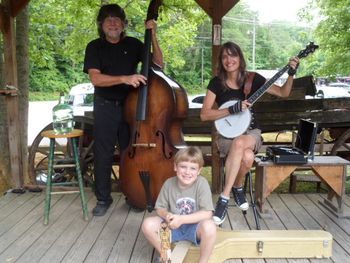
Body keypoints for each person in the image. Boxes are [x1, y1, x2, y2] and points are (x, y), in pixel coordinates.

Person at [200, 41, 300, 225]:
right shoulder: (216, 83)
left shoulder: (253, 79)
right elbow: (205, 114)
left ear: (240, 57)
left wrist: (291, 73)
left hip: (251, 132)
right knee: (246, 157)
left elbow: (284, 92)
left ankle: (224, 197)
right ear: (221, 61)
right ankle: (237, 186)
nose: (229, 60)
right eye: (225, 56)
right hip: (226, 136)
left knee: (241, 143)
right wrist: (232, 109)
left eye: (233, 55)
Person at [83, 4, 163, 216]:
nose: (112, 23)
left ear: (124, 24)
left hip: (131, 107)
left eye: (117, 19)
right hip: (105, 107)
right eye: (107, 19)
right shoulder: (94, 47)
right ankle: (103, 198)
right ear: (101, 24)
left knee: (131, 152)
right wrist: (125, 78)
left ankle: (132, 194)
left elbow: (159, 63)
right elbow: (95, 78)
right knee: (104, 153)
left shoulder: (134, 44)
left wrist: (152, 34)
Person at [141, 146, 217, 263]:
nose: (187, 172)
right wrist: (166, 215)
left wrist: (181, 219)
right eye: (183, 167)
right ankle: (166, 256)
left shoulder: (202, 183)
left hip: (194, 228)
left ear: (199, 171)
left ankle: (203, 261)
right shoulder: (169, 183)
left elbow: (207, 213)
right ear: (175, 167)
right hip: (172, 227)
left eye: (193, 168)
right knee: (148, 224)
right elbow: (160, 208)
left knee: (210, 227)